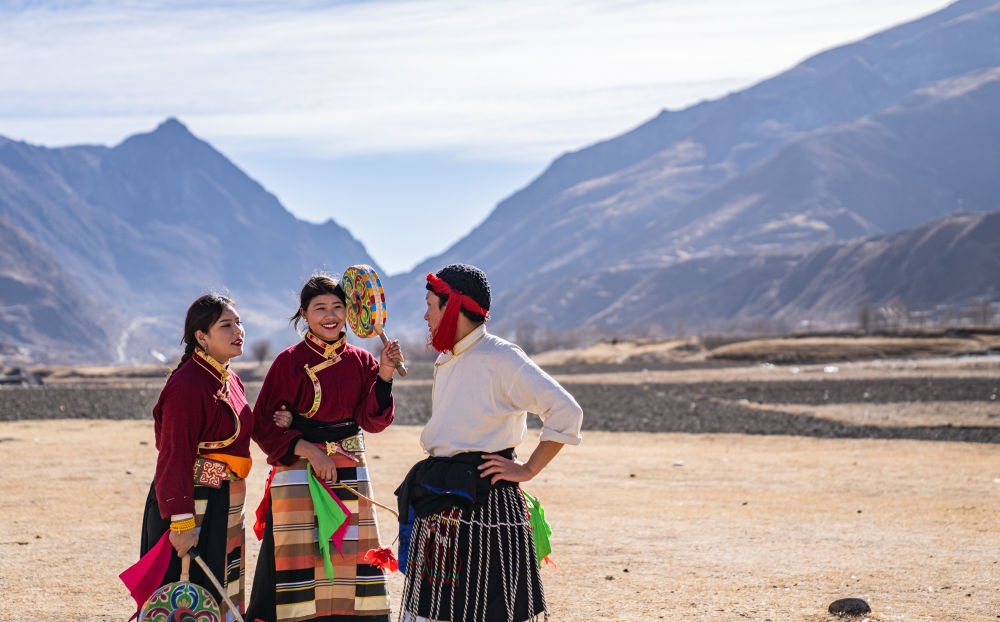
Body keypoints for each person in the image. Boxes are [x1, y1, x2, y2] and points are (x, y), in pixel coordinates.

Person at [395, 264, 583, 622]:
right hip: (440, 493)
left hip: (487, 499)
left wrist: (528, 468)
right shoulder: (447, 356)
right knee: (431, 611)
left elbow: (566, 411)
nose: (425, 314)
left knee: (486, 611)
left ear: (452, 306)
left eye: (431, 304)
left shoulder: (501, 357)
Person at [247, 274, 403, 622]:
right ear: (304, 314)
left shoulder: (363, 361)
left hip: (350, 468)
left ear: (349, 311)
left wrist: (386, 374)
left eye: (337, 306)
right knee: (301, 557)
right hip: (300, 468)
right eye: (319, 308)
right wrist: (308, 448)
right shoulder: (288, 362)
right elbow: (263, 425)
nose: (329, 315)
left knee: (352, 556)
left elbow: (372, 421)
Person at [139, 294, 274, 621]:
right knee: (187, 595)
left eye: (238, 322)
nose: (238, 330)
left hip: (222, 502)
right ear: (201, 336)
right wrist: (181, 521)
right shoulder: (187, 384)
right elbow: (174, 454)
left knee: (220, 589)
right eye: (226, 325)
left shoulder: (228, 379)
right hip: (192, 505)